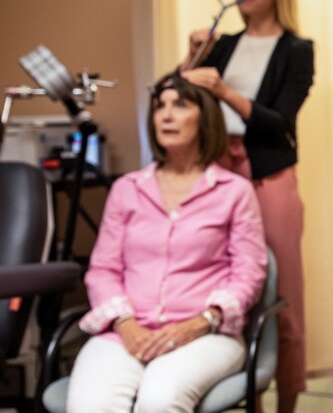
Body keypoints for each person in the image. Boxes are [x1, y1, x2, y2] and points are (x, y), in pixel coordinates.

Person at [66, 74, 267, 412]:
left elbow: (249, 272)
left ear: (204, 117)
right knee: (91, 404)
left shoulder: (234, 191)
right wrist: (125, 324)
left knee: (159, 400)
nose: (166, 115)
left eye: (180, 105)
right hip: (126, 333)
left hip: (205, 334)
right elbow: (103, 269)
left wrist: (202, 321)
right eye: (160, 106)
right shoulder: (127, 189)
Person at [181, 0, 314, 412]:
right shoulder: (221, 45)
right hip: (218, 175)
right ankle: (248, 400)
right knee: (232, 291)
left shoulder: (297, 50)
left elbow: (279, 122)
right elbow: (174, 101)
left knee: (285, 298)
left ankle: (287, 405)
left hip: (269, 177)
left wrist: (223, 91)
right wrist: (192, 53)